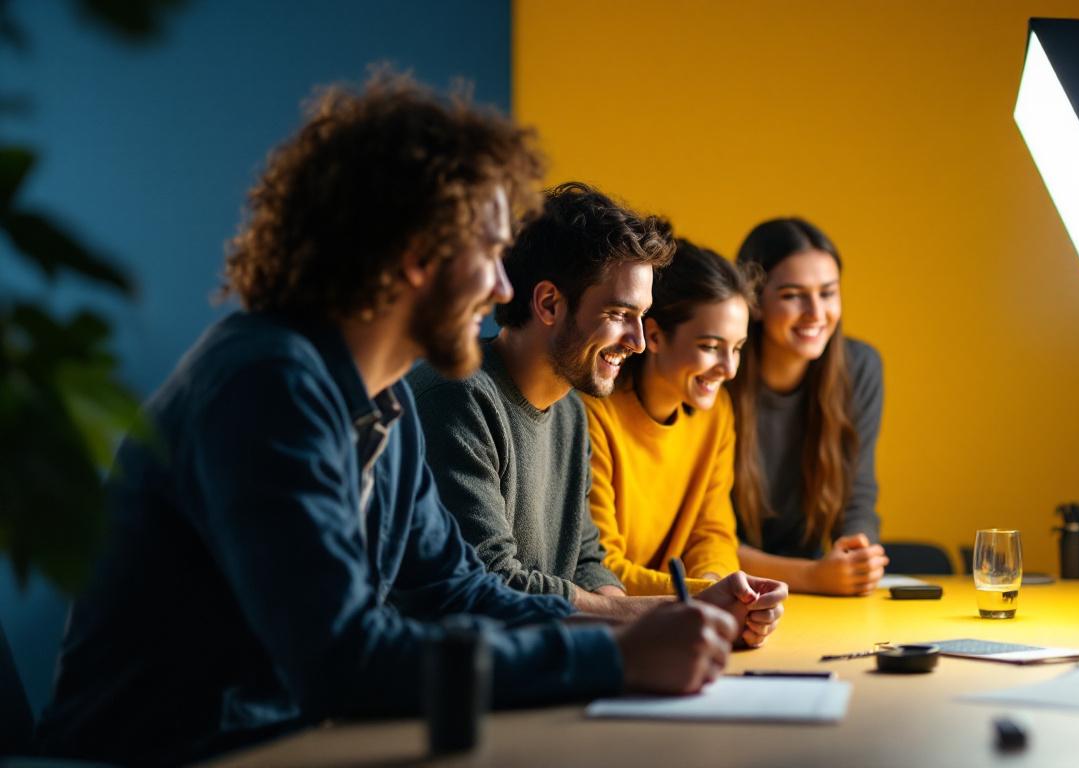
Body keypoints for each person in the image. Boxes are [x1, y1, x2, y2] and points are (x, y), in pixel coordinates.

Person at [35, 74, 736, 766]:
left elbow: (457, 591)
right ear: (415, 257)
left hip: (287, 744)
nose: (502, 287)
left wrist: (643, 626)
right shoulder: (266, 383)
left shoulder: (383, 401)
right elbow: (344, 657)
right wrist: (614, 654)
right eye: (490, 255)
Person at [410, 184, 784, 645]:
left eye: (641, 317)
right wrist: (681, 609)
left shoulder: (570, 411)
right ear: (548, 304)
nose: (638, 342)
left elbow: (588, 564)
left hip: (539, 672)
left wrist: (680, 619)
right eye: (619, 313)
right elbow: (494, 586)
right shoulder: (457, 398)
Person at [583, 240, 757, 596]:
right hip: (617, 618)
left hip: (673, 613)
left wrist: (714, 583)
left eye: (736, 348)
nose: (729, 369)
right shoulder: (593, 413)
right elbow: (599, 566)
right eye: (710, 347)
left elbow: (713, 533)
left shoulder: (717, 412)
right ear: (656, 336)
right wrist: (703, 596)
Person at [729, 218, 888, 596]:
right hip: (728, 583)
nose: (816, 312)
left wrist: (857, 557)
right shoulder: (716, 373)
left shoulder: (860, 368)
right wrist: (813, 576)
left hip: (818, 586)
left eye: (828, 293)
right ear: (755, 302)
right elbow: (700, 536)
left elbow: (857, 494)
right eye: (792, 295)